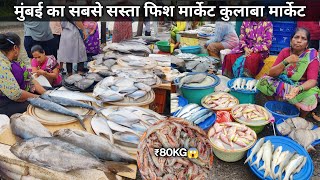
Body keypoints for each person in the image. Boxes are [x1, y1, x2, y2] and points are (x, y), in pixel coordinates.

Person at [256, 28, 319, 119]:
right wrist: (286, 61)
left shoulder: (311, 56)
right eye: (296, 37)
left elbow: (312, 80)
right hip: (285, 81)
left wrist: (298, 88)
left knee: (311, 97)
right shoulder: (285, 52)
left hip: (301, 86)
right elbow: (271, 73)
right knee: (264, 81)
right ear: (290, 41)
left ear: (307, 44)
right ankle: (277, 106)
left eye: (303, 39)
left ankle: (301, 117)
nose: (299, 41)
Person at [0, 33, 46, 116]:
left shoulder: (15, 59)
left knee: (50, 92)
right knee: (41, 107)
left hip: (23, 91)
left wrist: (45, 94)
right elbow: (16, 95)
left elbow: (30, 79)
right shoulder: (2, 65)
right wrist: (38, 98)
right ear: (15, 48)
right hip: (5, 102)